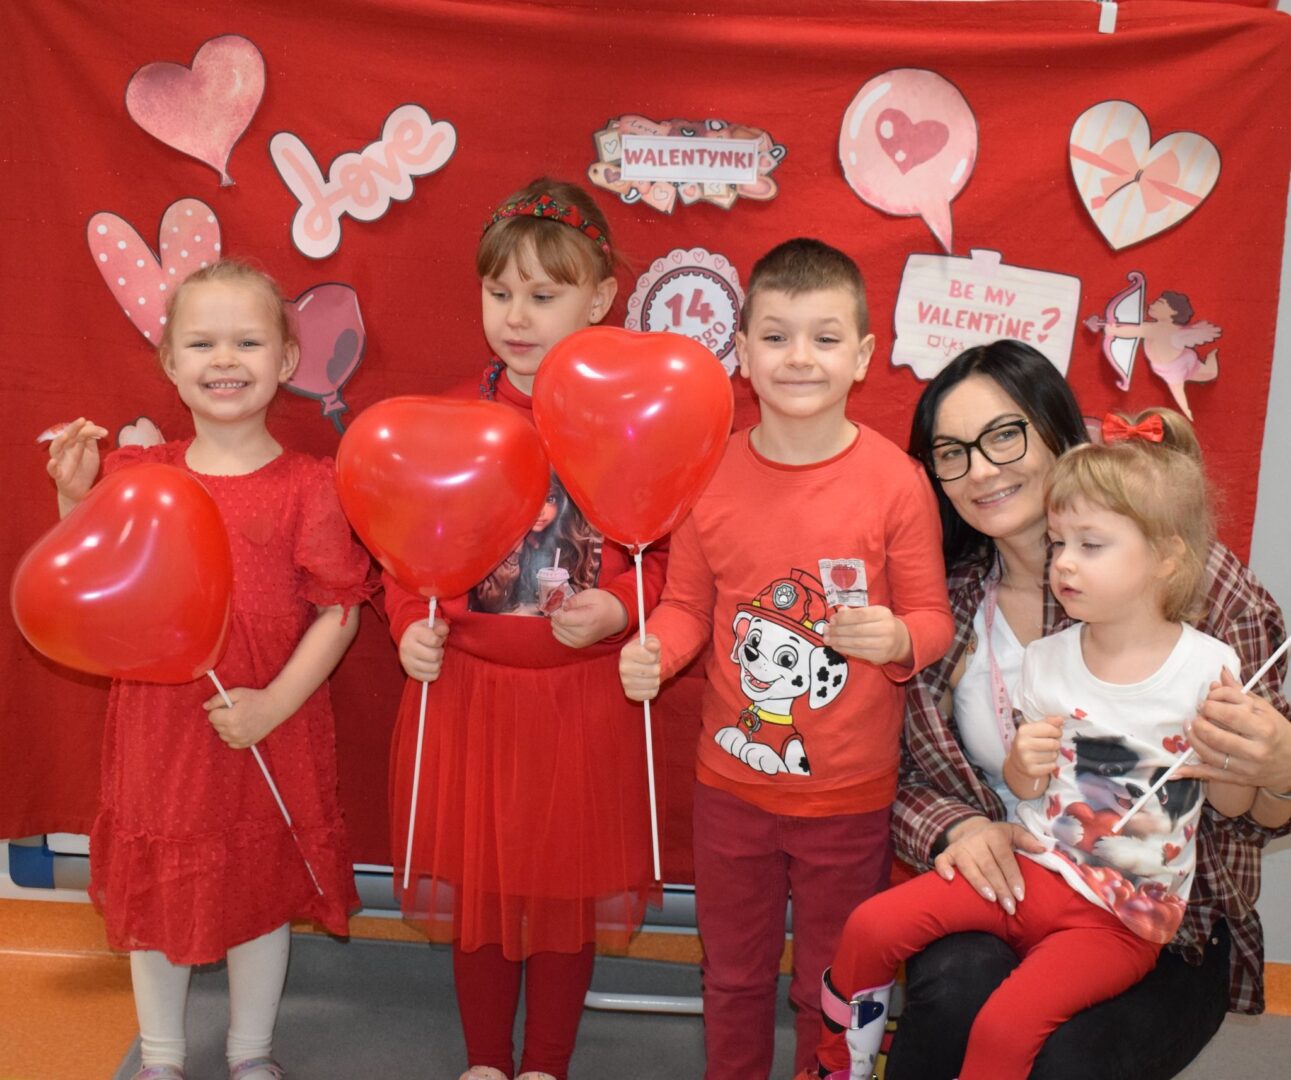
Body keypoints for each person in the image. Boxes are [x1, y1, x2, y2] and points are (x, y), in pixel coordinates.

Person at [811, 408, 1256, 1080]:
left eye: (1091, 545)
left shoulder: (1207, 667)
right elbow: (1026, 789)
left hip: (1121, 918)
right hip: (1032, 871)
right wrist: (1022, 763)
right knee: (870, 926)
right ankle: (834, 1066)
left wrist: (1228, 758)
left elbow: (1235, 803)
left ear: (1166, 558)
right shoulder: (1047, 660)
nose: (1064, 563)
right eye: (1058, 543)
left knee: (1005, 1027)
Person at [618, 238, 954, 1080]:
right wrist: (657, 650)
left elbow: (932, 619)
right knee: (731, 974)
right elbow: (688, 606)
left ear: (862, 357)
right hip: (729, 790)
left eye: (824, 338)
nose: (799, 357)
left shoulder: (896, 482)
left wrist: (896, 639)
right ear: (740, 353)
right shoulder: (708, 473)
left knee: (831, 984)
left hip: (850, 797)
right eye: (775, 336)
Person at [45, 260, 372, 1080]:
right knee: (162, 889)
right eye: (201, 343)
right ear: (169, 362)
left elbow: (340, 609)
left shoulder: (311, 486)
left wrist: (274, 705)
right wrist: (73, 498)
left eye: (247, 342)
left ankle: (250, 1051)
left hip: (268, 722)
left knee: (258, 888)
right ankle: (160, 1056)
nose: (224, 360)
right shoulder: (137, 476)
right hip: (162, 730)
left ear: (286, 360)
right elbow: (88, 579)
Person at [384, 178, 662, 1080]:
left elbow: (665, 555)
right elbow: (403, 553)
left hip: (578, 701)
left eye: (542, 296)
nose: (515, 316)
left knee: (561, 893)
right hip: (470, 697)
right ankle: (482, 1060)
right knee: (480, 886)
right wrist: (407, 625)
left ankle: (544, 1061)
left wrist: (620, 606)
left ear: (600, 298)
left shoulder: (629, 425)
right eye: (498, 292)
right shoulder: (450, 416)